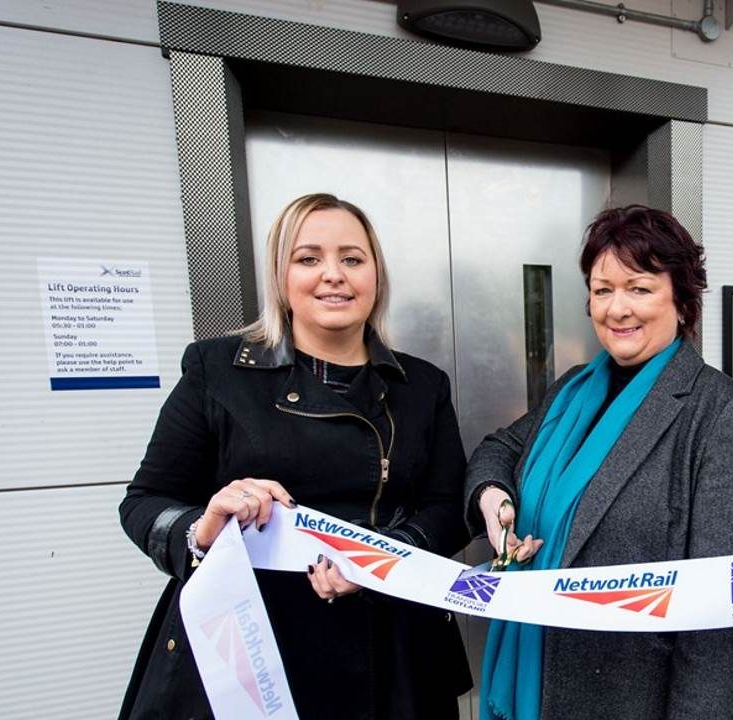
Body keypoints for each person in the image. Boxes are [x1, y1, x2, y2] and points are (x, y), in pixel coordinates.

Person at [118, 193, 472, 719]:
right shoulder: (217, 371)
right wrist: (201, 527)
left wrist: (382, 559)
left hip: (392, 647)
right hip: (249, 646)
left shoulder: (422, 385)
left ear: (376, 274)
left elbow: (447, 508)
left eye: (353, 258)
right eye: (309, 259)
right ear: (281, 276)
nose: (334, 274)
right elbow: (145, 502)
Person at [464, 205, 733, 720]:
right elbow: (500, 447)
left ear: (681, 298)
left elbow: (720, 616)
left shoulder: (722, 415)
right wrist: (494, 498)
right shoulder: (573, 390)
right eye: (603, 290)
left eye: (640, 288)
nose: (617, 308)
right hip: (532, 690)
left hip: (632, 701)